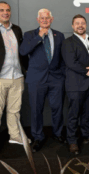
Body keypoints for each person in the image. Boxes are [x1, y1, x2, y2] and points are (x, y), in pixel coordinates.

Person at [20, 8, 65, 152]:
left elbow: (62, 57)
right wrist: (39, 37)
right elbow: (23, 51)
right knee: (36, 109)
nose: (45, 20)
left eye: (47, 18)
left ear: (51, 19)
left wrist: (61, 74)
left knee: (57, 108)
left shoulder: (60, 35)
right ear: (38, 20)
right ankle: (37, 137)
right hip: (36, 79)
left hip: (55, 79)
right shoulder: (29, 34)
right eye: (42, 18)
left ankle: (58, 133)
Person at [61, 14, 89, 155]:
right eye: (77, 23)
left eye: (83, 23)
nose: (80, 25)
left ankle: (87, 134)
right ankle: (72, 141)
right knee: (74, 114)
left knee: (88, 112)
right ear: (73, 26)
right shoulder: (68, 42)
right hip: (75, 85)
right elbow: (71, 63)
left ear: (86, 25)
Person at [0, 1, 29, 145]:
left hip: (17, 76)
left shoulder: (16, 29)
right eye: (2, 10)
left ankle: (15, 136)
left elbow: (22, 53)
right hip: (1, 77)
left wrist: (25, 70)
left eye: (8, 10)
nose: (5, 12)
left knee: (14, 110)